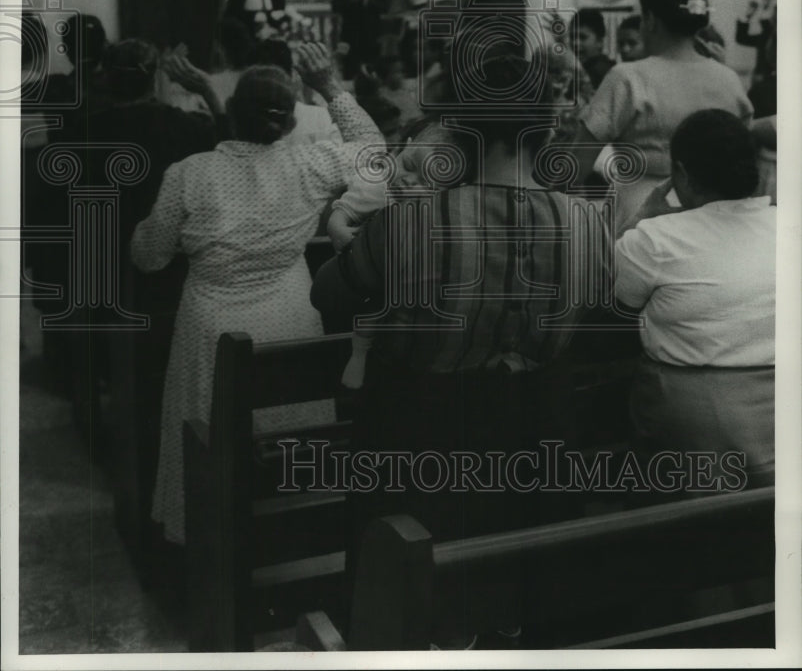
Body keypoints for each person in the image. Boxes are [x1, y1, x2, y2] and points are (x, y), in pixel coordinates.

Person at [311, 48, 610, 607]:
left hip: (418, 446)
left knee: (411, 606)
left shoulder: (410, 222)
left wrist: (351, 247)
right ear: (545, 133)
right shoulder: (588, 222)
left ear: (457, 136)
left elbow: (326, 294)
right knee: (519, 602)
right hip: (539, 440)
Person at [130, 44, 383, 545]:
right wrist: (330, 85)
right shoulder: (310, 165)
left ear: (227, 116)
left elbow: (149, 258)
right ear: (289, 124)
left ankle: (207, 537)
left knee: (211, 434)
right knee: (288, 431)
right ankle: (293, 530)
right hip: (289, 316)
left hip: (213, 327)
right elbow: (374, 154)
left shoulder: (189, 174)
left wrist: (147, 231)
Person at [615, 110, 775, 487]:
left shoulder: (654, 239)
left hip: (690, 426)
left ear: (682, 175)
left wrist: (640, 218)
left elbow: (619, 304)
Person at [572, 0, 753, 232]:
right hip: (713, 219)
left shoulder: (627, 77)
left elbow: (577, 163)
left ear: (651, 21)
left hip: (640, 212)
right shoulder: (729, 80)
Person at [331, 0, 390, 79]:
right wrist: (353, 2)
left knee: (373, 70)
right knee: (350, 71)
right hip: (350, 35)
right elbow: (335, 7)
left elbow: (386, 7)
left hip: (373, 35)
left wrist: (371, 2)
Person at [735, 0, 776, 119]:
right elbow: (742, 38)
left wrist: (764, 9)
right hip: (762, 82)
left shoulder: (772, 35)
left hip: (766, 84)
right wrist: (748, 16)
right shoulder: (767, 36)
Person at [569, 8, 616, 89]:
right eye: (572, 37)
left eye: (582, 37)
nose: (575, 43)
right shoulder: (581, 67)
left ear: (599, 42)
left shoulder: (602, 72)